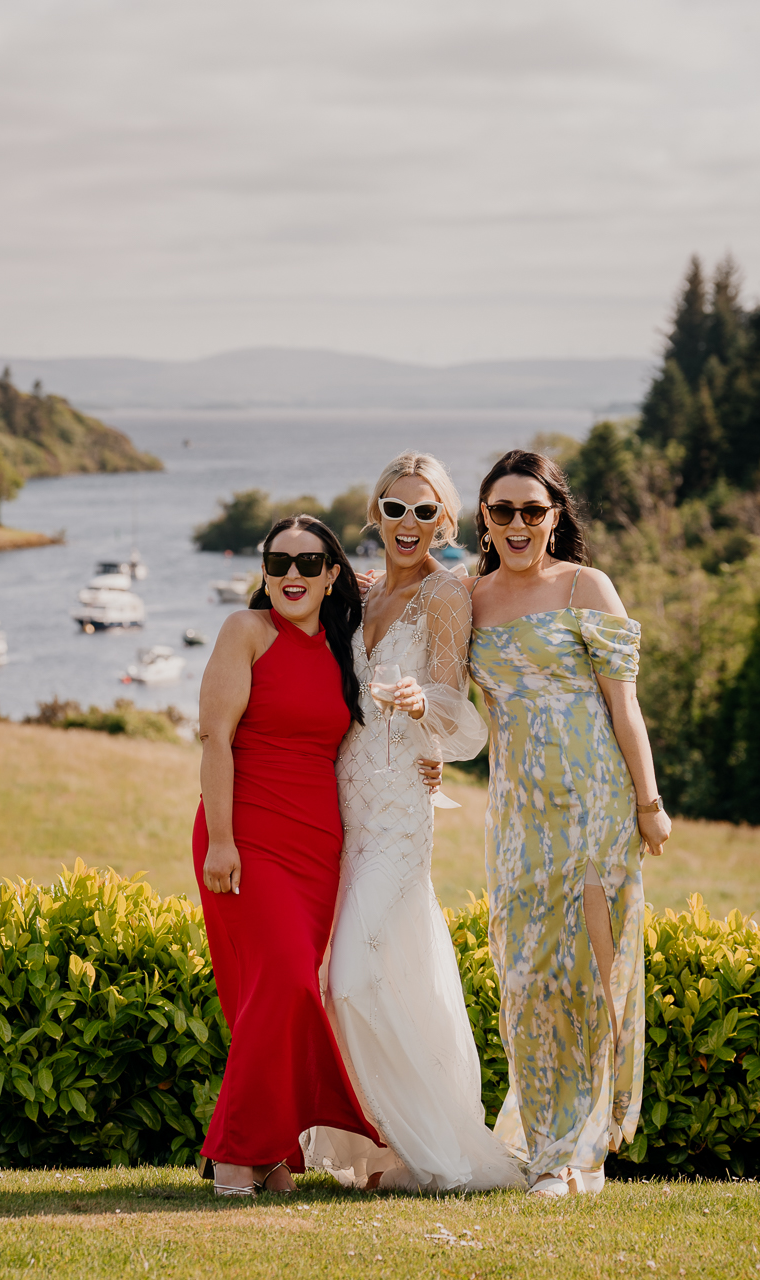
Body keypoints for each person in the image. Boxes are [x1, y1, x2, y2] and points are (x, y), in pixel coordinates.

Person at [301, 452, 527, 1193]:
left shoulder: (447, 595)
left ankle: (432, 1147)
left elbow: (466, 731)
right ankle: (377, 1149)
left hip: (399, 811)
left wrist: (420, 704)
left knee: (354, 978)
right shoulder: (355, 593)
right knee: (385, 970)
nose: (408, 524)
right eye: (395, 509)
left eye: (425, 511)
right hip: (335, 806)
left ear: (445, 521)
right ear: (374, 513)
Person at [466, 449, 670, 1197]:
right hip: (518, 813)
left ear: (556, 515)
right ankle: (543, 1137)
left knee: (586, 974)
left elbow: (625, 707)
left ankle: (576, 1157)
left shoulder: (588, 586)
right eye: (501, 511)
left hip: (595, 805)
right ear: (483, 519)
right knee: (524, 976)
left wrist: (648, 802)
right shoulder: (470, 598)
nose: (517, 524)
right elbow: (445, 697)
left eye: (532, 510)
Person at [195, 514, 382, 1196]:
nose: (293, 576)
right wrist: (221, 840)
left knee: (283, 996)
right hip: (243, 833)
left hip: (316, 844)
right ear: (263, 571)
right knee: (283, 985)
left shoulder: (343, 645)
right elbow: (215, 739)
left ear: (333, 574)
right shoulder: (246, 633)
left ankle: (270, 1153)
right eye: (279, 563)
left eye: (310, 564)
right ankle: (237, 1157)